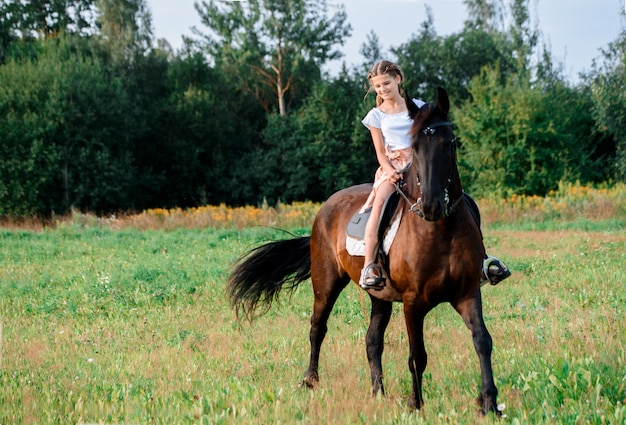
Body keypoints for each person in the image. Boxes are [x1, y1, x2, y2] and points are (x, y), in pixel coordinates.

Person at [359, 60, 510, 290]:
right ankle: (369, 265)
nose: (382, 90)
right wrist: (389, 171)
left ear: (398, 79)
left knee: (465, 201)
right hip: (395, 169)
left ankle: (482, 260)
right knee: (379, 207)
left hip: (422, 167)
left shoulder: (418, 107)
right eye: (378, 86)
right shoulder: (376, 116)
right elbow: (380, 152)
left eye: (386, 83)